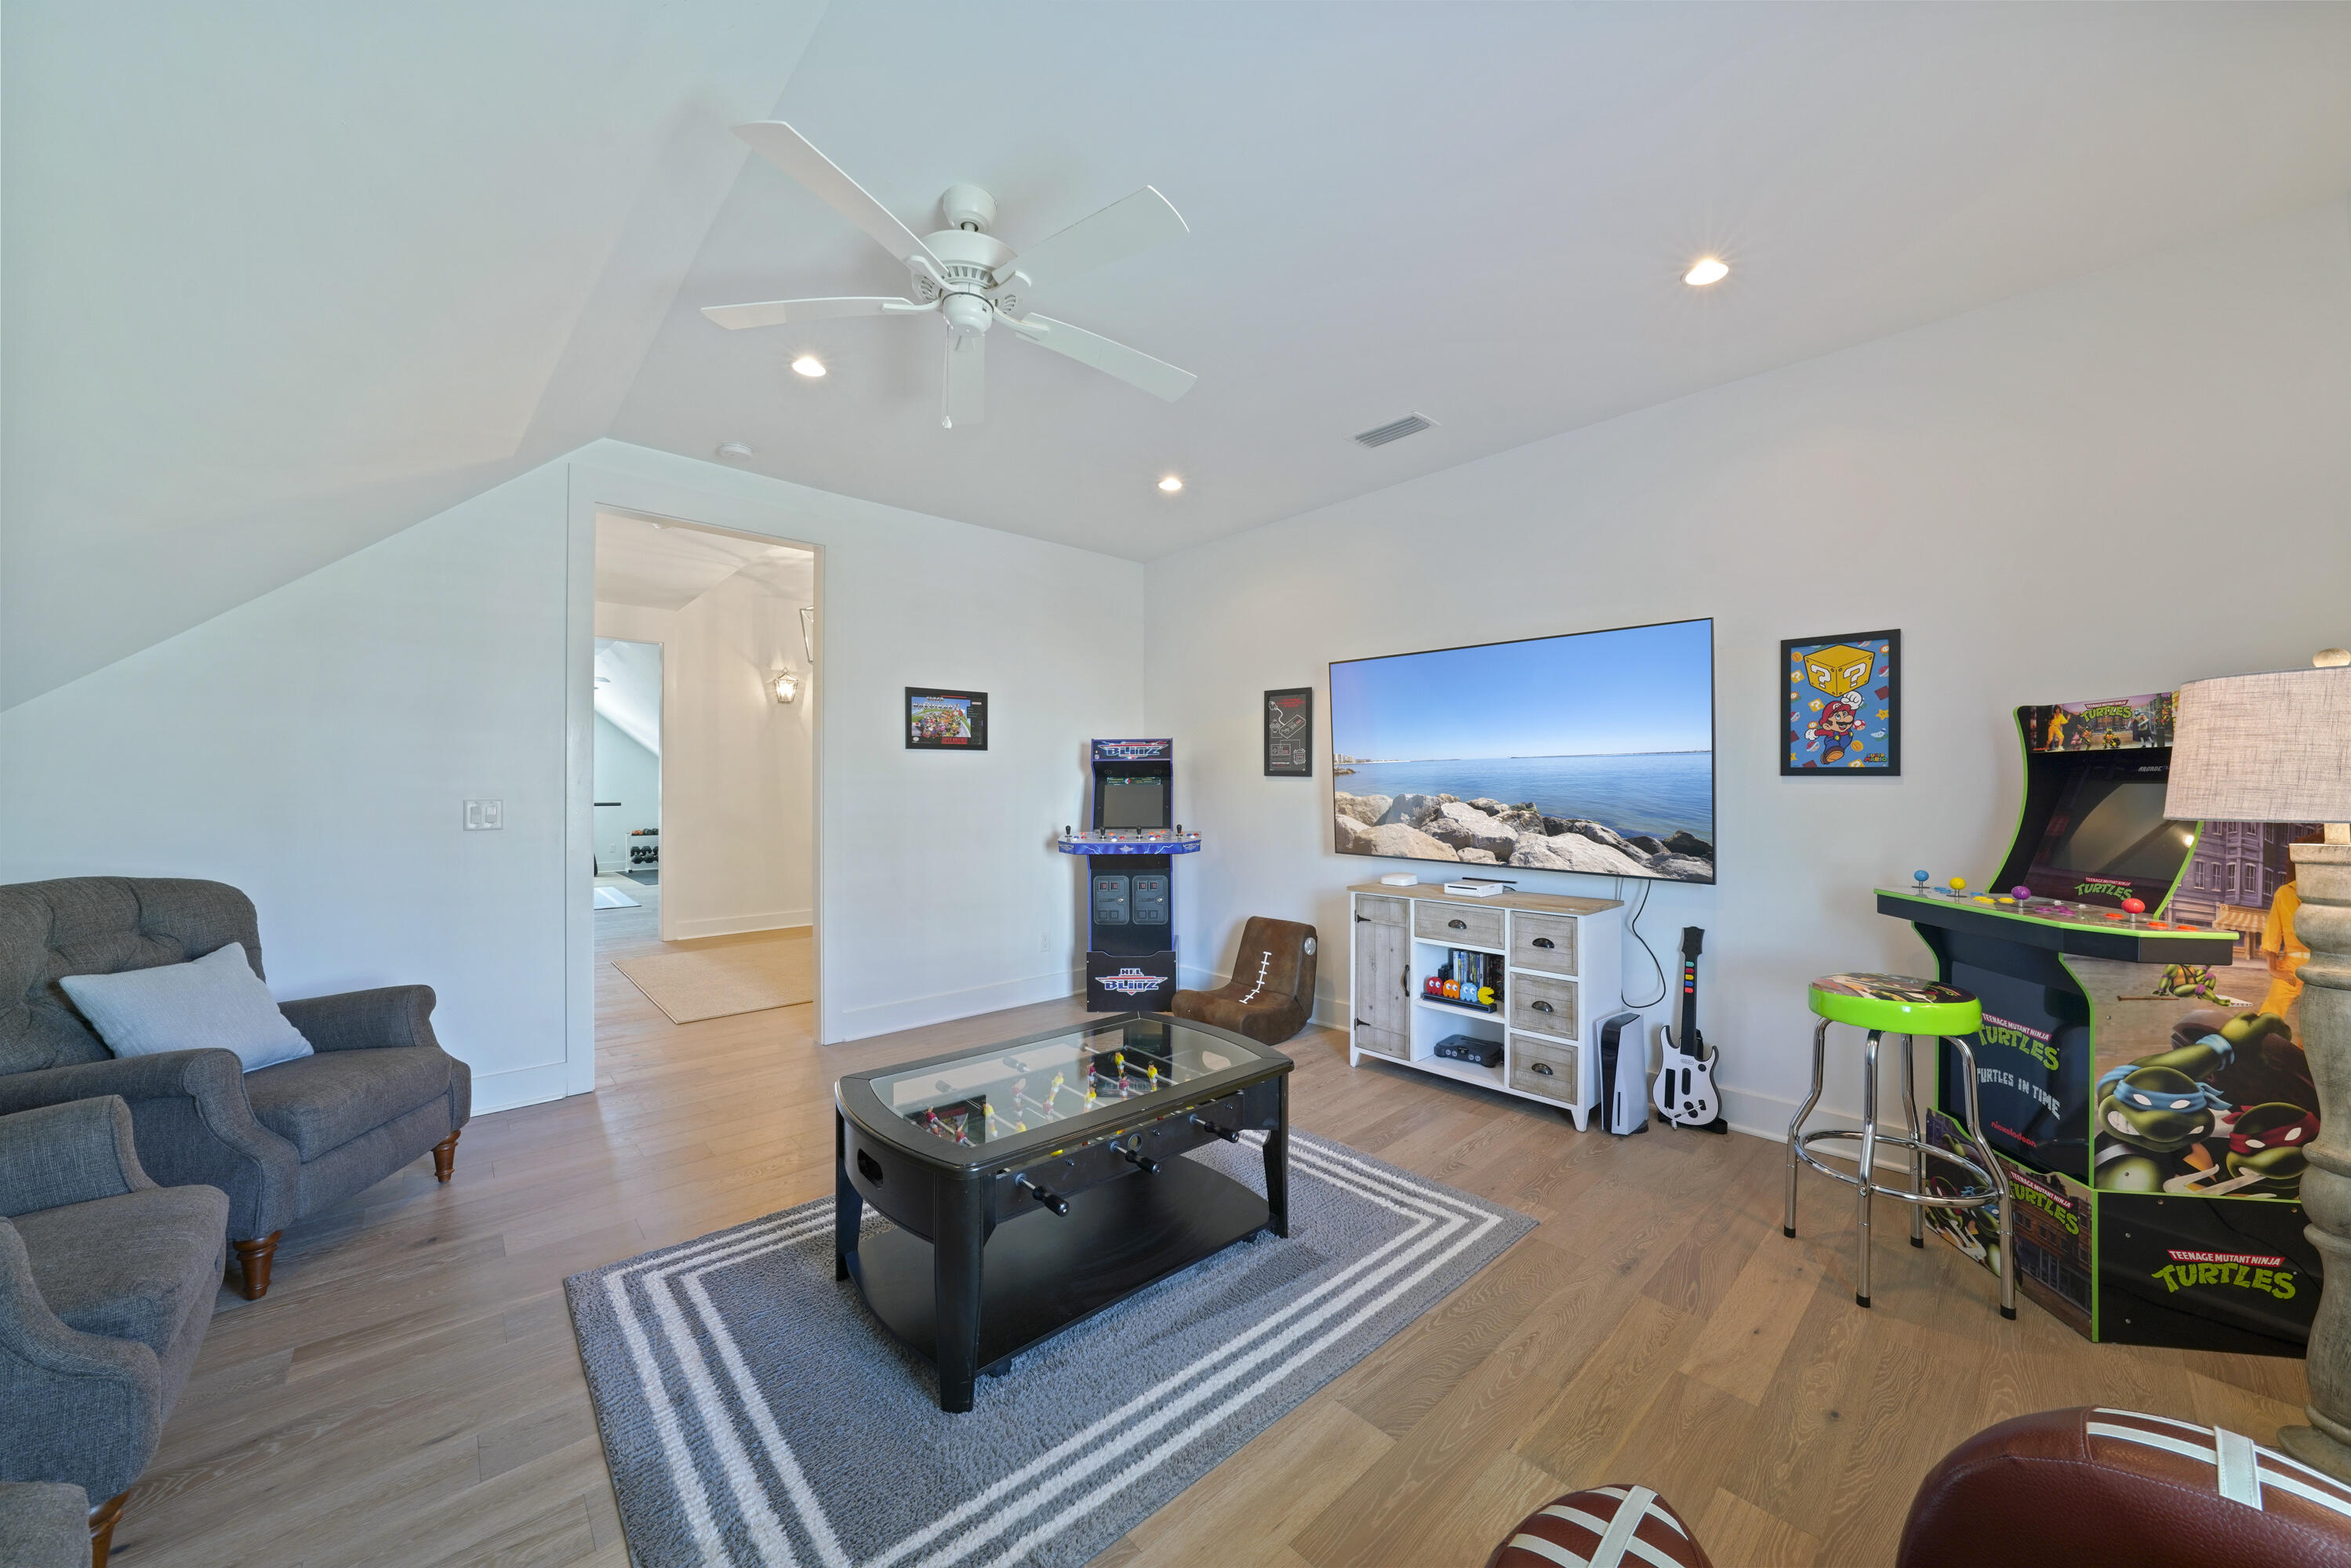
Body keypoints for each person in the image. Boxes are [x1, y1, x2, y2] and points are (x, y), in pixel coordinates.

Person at [2258, 828, 2324, 1018]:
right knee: (2270, 1013)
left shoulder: (2330, 896)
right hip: (2290, 966)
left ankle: (2307, 1048)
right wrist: (2273, 969)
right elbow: (2272, 933)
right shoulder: (2284, 893)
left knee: (2318, 1018)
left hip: (2321, 967)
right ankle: (2262, 1043)